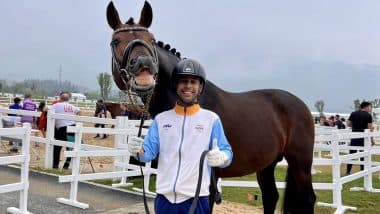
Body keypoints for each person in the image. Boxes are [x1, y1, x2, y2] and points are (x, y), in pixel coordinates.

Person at [128, 58, 233, 214]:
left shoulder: (211, 120)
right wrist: (138, 151)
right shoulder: (161, 120)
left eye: (193, 82)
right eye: (183, 81)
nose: (188, 86)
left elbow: (227, 152)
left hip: (196, 199)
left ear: (200, 87)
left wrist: (222, 157)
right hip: (165, 199)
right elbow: (148, 153)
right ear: (176, 85)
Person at [49, 92, 81, 170]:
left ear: (60, 98)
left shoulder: (56, 105)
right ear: (68, 99)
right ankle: (66, 165)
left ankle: (55, 164)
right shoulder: (72, 106)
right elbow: (79, 111)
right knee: (70, 147)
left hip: (62, 128)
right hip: (72, 127)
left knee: (57, 146)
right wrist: (75, 118)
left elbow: (46, 109)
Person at [345, 101, 374, 175]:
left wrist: (356, 126)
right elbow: (370, 128)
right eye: (370, 107)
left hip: (354, 136)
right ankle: (362, 171)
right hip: (363, 137)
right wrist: (372, 139)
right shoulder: (368, 115)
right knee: (363, 154)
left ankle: (348, 171)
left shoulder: (353, 113)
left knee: (351, 154)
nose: (370, 109)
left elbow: (348, 124)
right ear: (366, 107)